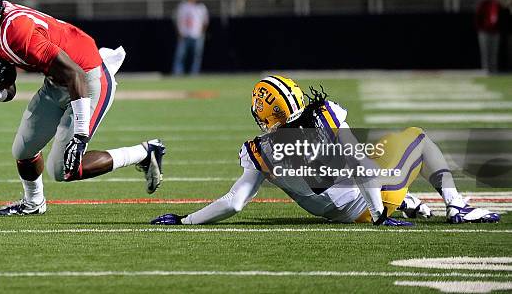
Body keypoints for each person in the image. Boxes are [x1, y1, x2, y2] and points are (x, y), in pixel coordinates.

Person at [152, 76, 500, 226]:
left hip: (339, 211)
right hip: (371, 203)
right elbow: (358, 162)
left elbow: (234, 202)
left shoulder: (258, 149)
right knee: (417, 138)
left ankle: (405, 201)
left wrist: (186, 219)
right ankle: (457, 206)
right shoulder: (325, 114)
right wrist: (380, 214)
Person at [0, 0, 166, 216]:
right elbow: (10, 90)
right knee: (23, 149)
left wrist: (81, 136)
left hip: (88, 77)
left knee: (63, 169)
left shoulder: (15, 30)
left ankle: (145, 152)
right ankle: (33, 203)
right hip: (57, 82)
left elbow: (75, 74)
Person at [171, 0, 209, 75]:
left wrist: (201, 33)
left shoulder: (201, 7)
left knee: (196, 56)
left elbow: (205, 22)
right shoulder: (182, 6)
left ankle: (194, 72)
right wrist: (179, 32)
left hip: (196, 35)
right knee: (180, 55)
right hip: (184, 34)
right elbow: (177, 20)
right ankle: (178, 72)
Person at [475, 0, 502, 73]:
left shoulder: (499, 5)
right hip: (484, 32)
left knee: (494, 53)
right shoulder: (484, 4)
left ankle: (493, 70)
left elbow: (502, 18)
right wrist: (481, 28)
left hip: (495, 32)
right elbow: (478, 17)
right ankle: (485, 70)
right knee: (485, 52)